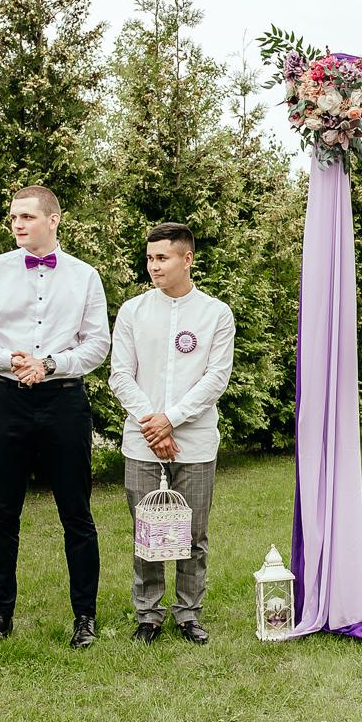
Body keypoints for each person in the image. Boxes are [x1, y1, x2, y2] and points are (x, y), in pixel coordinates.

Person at [0, 185, 110, 650]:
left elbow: (96, 343)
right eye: (12, 218)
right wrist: (10, 360)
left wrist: (50, 365)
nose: (17, 225)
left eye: (26, 216)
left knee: (77, 514)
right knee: (2, 514)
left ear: (53, 220)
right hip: (6, 400)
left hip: (63, 400)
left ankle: (85, 616)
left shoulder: (85, 276)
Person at [109, 223, 236, 645]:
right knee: (147, 529)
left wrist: (173, 419)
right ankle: (148, 614)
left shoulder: (216, 314)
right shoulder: (133, 311)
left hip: (195, 441)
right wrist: (152, 421)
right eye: (149, 258)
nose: (153, 266)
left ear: (187, 259)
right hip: (142, 439)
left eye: (162, 258)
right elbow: (120, 376)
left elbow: (216, 378)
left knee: (193, 534)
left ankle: (188, 612)